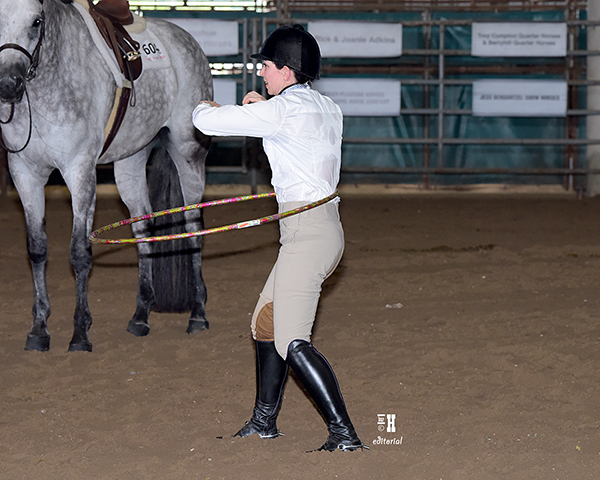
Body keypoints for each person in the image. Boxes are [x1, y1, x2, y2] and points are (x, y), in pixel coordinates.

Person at [192, 24, 366, 453]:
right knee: (264, 323)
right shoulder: (327, 107)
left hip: (306, 234)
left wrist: (202, 101)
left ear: (286, 71)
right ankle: (263, 422)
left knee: (290, 338)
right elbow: (286, 124)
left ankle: (344, 434)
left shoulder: (282, 111)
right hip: (320, 231)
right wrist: (264, 106)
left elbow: (207, 122)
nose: (262, 74)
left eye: (266, 67)